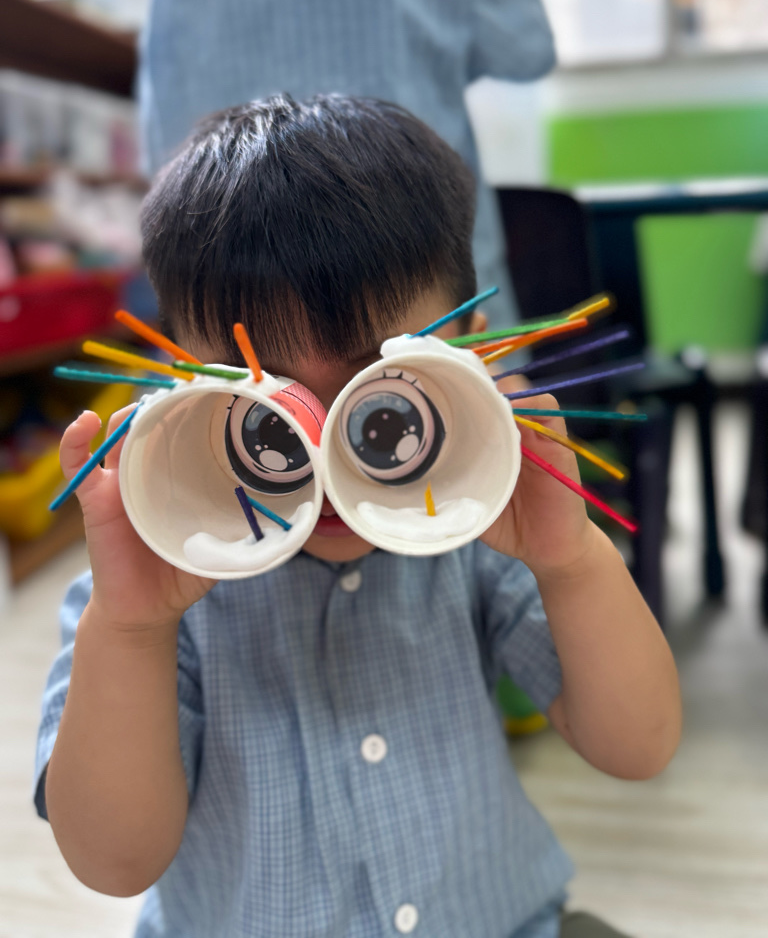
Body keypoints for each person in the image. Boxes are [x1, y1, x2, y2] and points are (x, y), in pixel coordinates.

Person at [35, 95, 681, 938]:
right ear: (179, 382)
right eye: (271, 420)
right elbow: (114, 862)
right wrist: (129, 630)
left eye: (381, 413)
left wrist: (572, 560)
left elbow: (638, 746)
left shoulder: (481, 541)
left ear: (471, 351)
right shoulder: (143, 591)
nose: (327, 467)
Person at [138, 0, 556, 328]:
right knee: (444, 367)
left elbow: (161, 153)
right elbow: (528, 52)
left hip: (231, 303)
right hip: (427, 280)